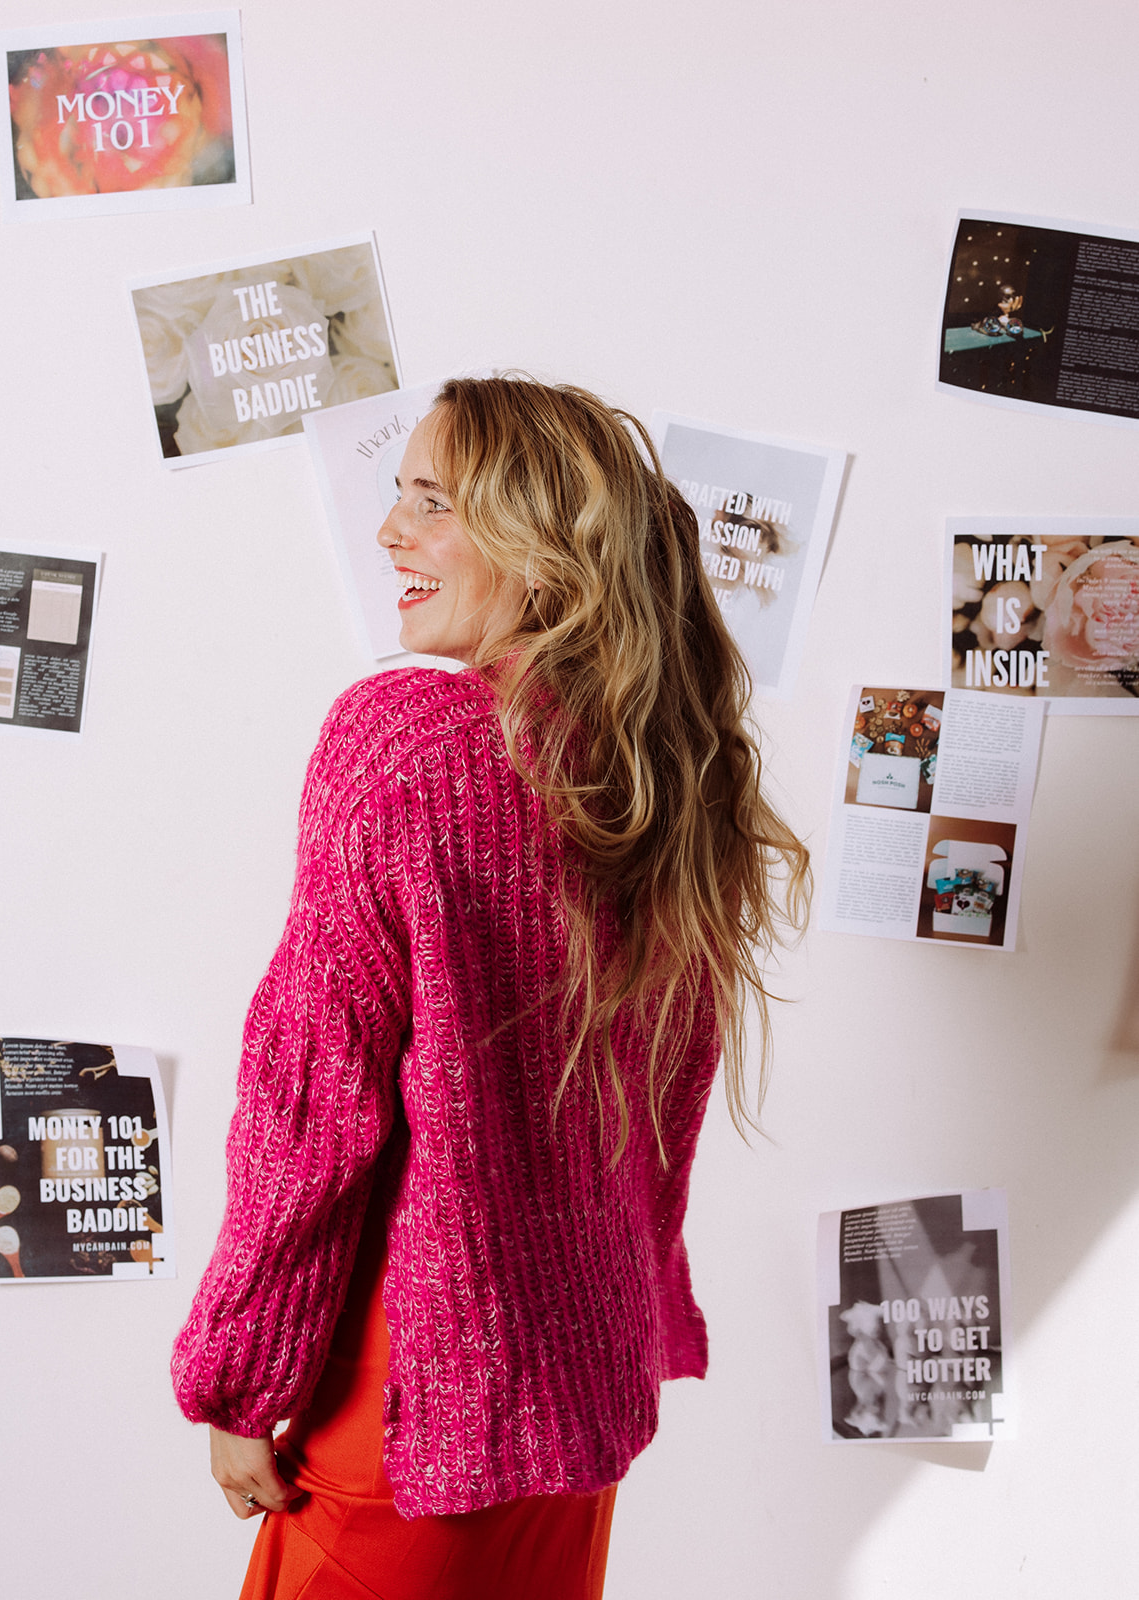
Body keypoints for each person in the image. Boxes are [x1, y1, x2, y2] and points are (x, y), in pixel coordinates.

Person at [171, 375, 810, 1598]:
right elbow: (651, 1135)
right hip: (568, 1406)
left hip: (405, 1400)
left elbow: (315, 1097)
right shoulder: (666, 782)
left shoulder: (404, 740)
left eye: (430, 503)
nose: (388, 532)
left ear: (539, 549)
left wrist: (245, 1371)